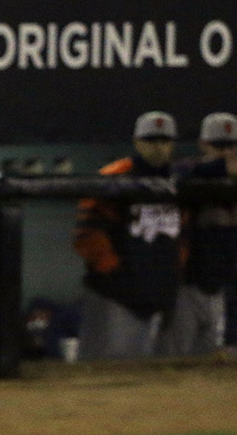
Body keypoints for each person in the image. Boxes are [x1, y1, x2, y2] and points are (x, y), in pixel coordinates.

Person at [73, 111, 183, 360]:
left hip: (160, 294)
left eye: (164, 141)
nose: (158, 147)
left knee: (156, 372)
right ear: (136, 142)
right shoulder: (113, 176)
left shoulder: (179, 180)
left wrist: (173, 273)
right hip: (115, 295)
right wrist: (117, 275)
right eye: (150, 140)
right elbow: (86, 235)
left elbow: (183, 234)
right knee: (107, 367)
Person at [158, 111, 237, 355]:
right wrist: (223, 168)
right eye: (219, 146)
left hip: (221, 288)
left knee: (208, 364)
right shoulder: (187, 170)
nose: (226, 152)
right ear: (203, 144)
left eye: (232, 146)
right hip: (185, 286)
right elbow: (177, 175)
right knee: (174, 360)